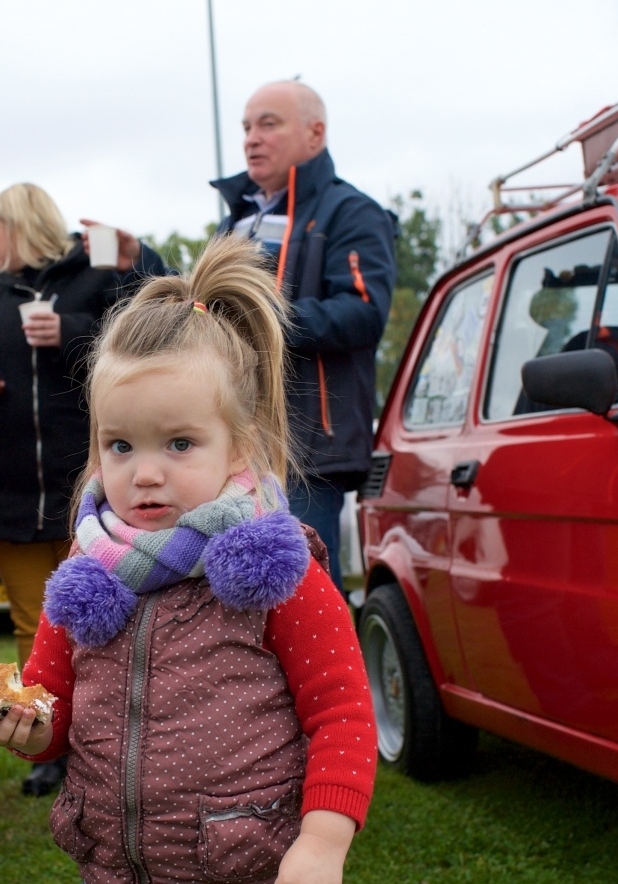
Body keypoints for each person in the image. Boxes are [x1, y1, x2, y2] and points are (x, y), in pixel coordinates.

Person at [0, 236, 376, 884]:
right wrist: (27, 724)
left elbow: (344, 715)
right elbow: (53, 714)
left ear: (239, 446)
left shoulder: (276, 572)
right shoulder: (83, 579)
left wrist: (324, 842)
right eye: (120, 445)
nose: (145, 470)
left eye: (179, 442)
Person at [87, 81, 395, 591]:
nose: (252, 138)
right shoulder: (238, 218)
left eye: (268, 123)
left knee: (300, 594)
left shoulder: (353, 213)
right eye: (247, 127)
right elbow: (205, 309)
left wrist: (255, 318)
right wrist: (142, 263)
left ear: (315, 133)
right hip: (224, 436)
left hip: (309, 448)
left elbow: (362, 312)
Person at [0, 183, 163, 796]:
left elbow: (152, 331)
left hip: (85, 488)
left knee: (96, 619)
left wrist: (69, 330)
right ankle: (44, 744)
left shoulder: (95, 281)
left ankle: (108, 740)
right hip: (8, 487)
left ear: (19, 225)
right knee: (29, 622)